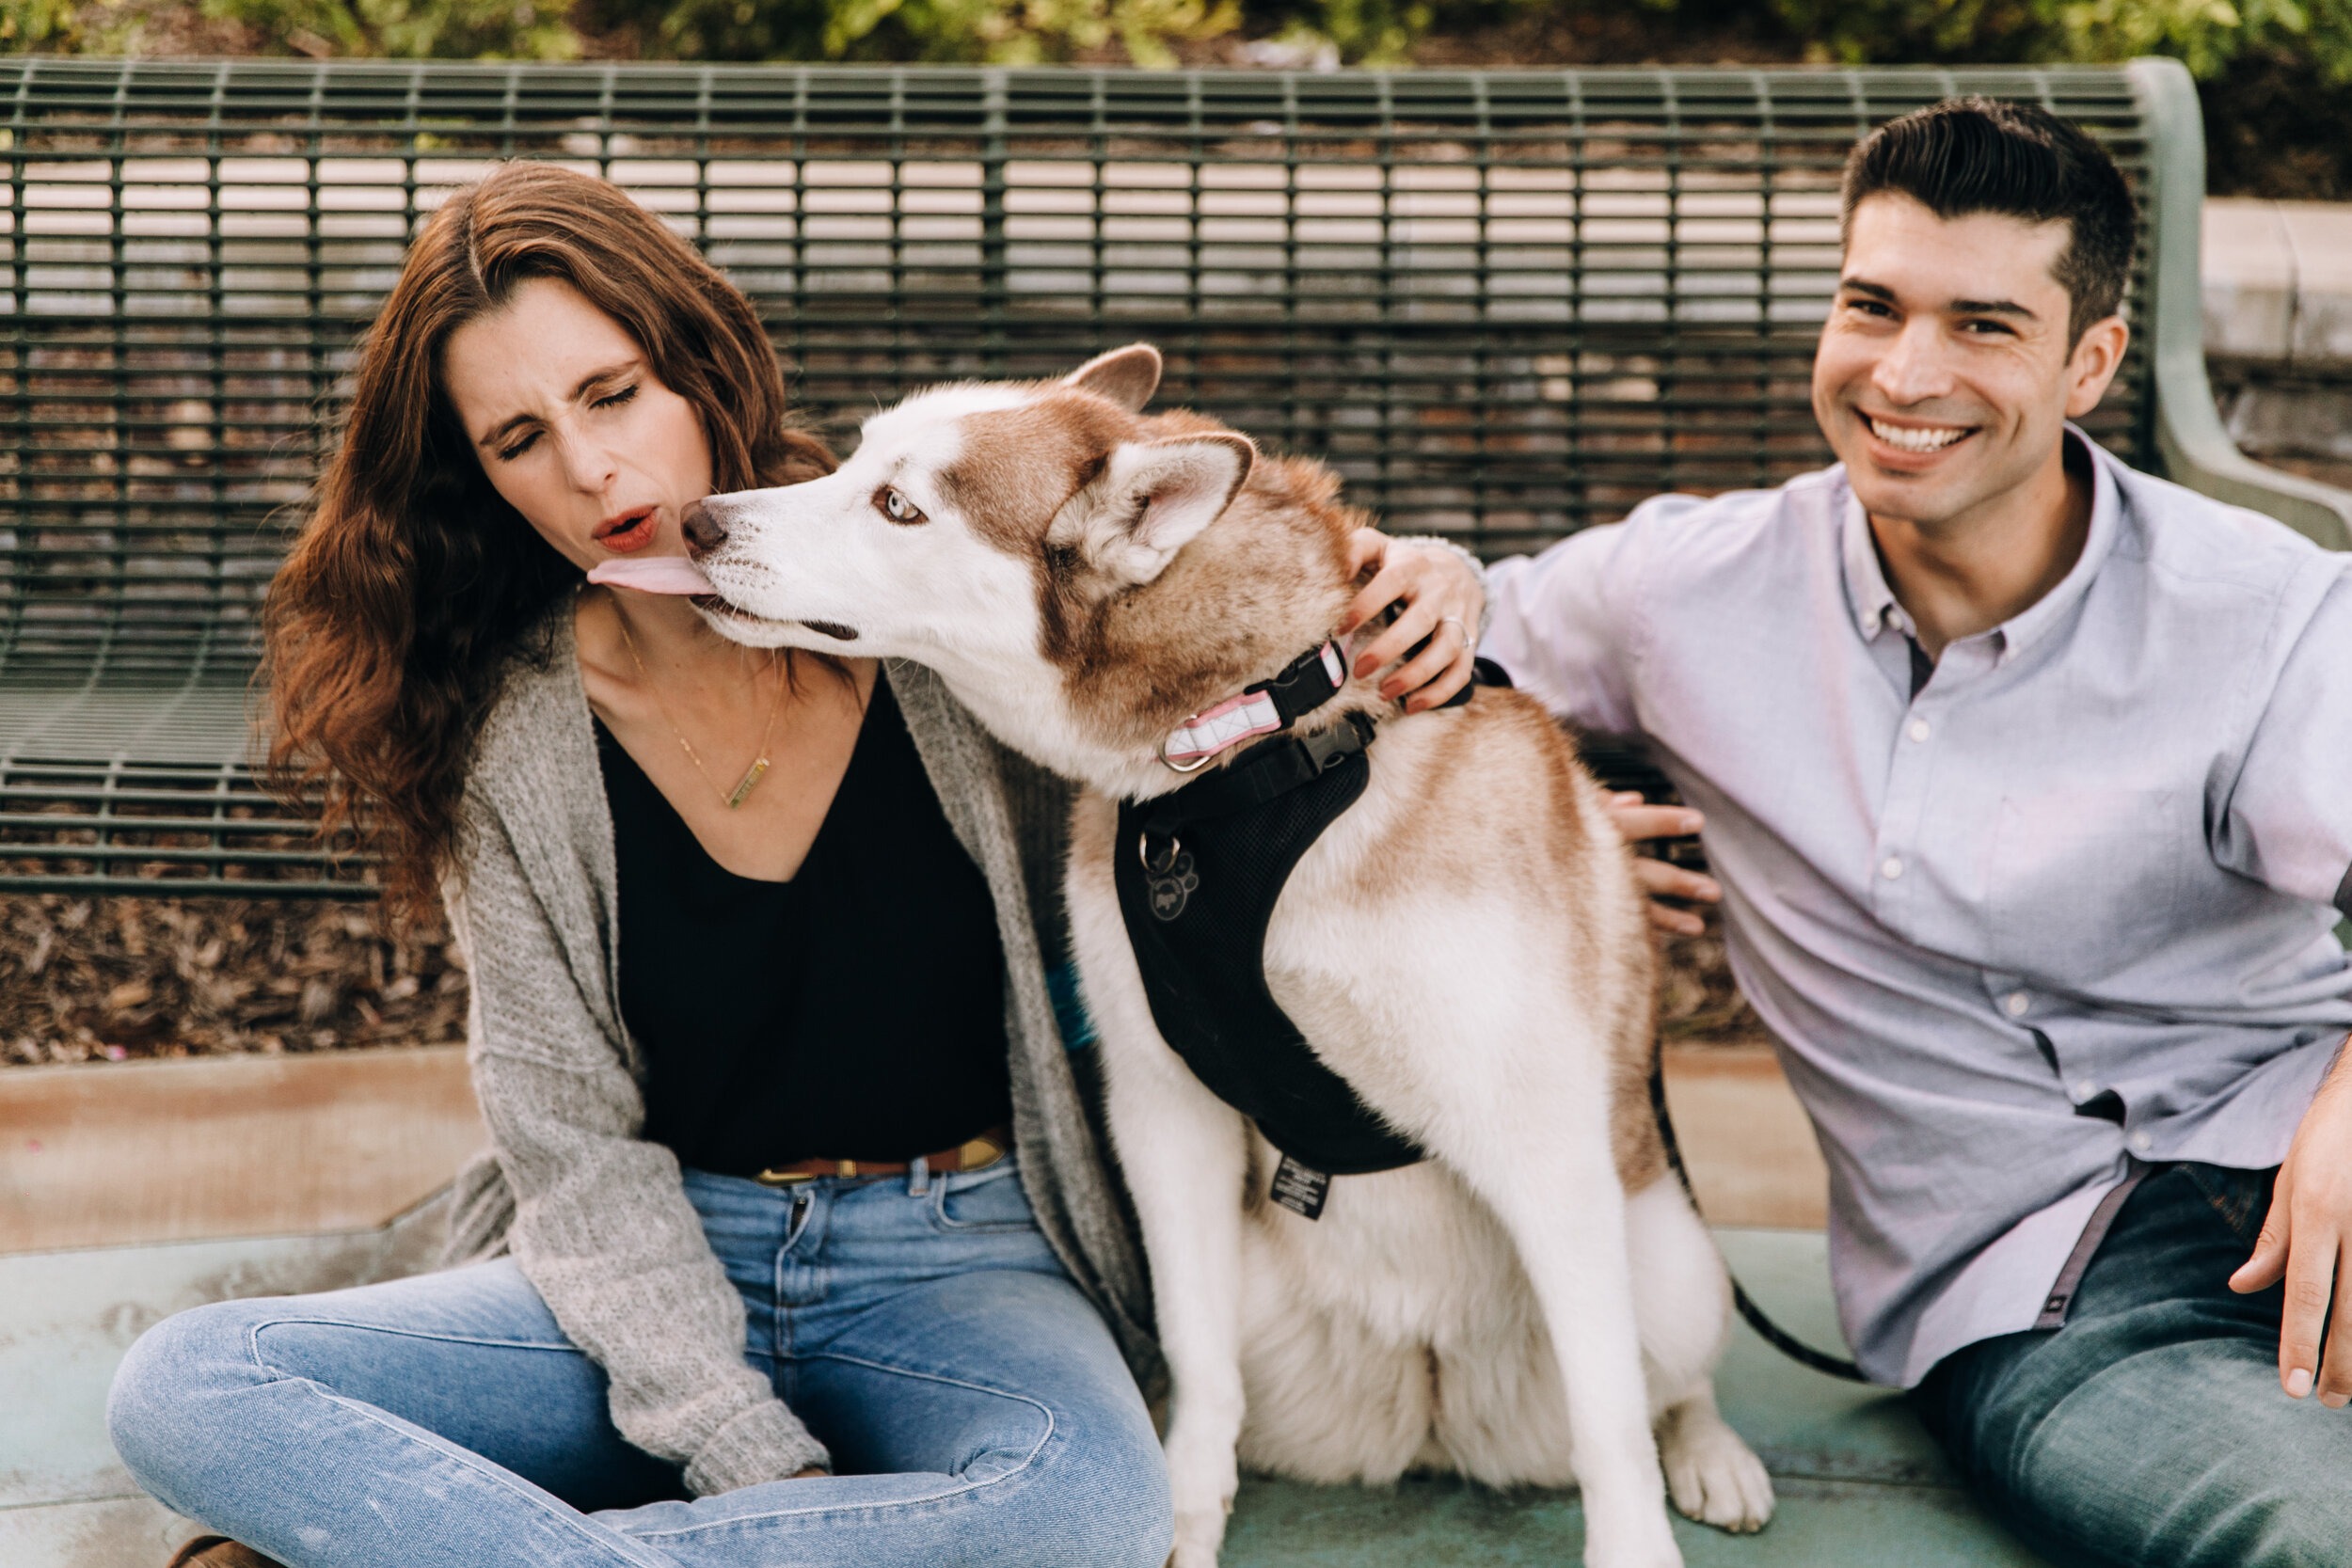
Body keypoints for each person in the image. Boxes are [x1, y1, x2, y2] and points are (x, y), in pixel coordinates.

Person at [101, 161, 1484, 1568]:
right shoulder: (511, 742)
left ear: (696, 372)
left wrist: (1432, 578)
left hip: (964, 1256)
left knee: (1089, 1515)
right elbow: (569, 1143)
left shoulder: (930, 604)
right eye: (519, 439)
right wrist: (739, 1449)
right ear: (483, 480)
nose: (591, 470)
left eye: (612, 393)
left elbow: (1214, 638)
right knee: (190, 1388)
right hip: (646, 1267)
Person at [1474, 98, 2352, 1566]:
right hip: (2039, 1292)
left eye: (1982, 326)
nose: (1905, 372)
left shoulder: (2259, 612)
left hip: (2302, 1148)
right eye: (1870, 305)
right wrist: (1524, 841)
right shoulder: (1680, 594)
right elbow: (1380, 648)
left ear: (2090, 363)